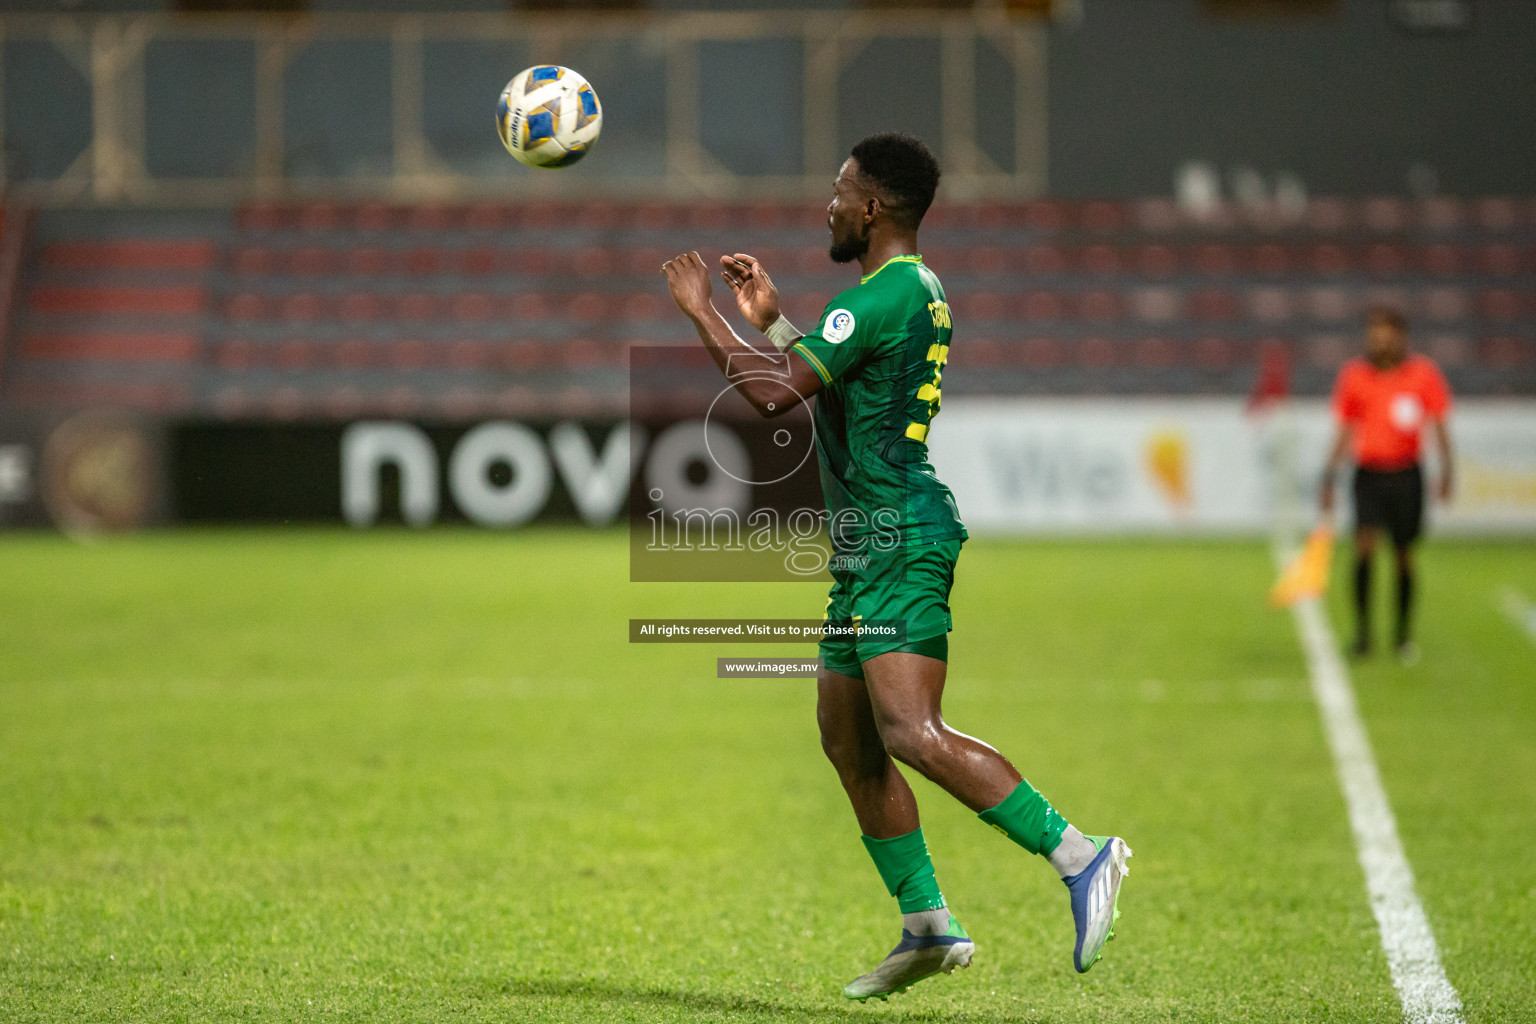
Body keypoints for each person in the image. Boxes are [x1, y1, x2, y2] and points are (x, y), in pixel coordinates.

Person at [661, 132, 1130, 1000]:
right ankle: (927, 925)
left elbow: (768, 397)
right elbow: (842, 387)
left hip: (900, 539)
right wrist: (777, 323)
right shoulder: (914, 291)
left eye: (840, 191)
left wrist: (702, 310)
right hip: (864, 548)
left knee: (911, 731)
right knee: (849, 739)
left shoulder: (878, 296)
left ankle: (1083, 854)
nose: (829, 204)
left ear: (873, 207)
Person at [1320, 307, 1454, 662]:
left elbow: (1438, 424)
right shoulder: (1354, 376)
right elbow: (1345, 431)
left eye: (1386, 335)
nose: (1380, 342)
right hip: (1369, 474)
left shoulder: (1423, 375)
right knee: (1363, 549)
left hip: (1407, 474)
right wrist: (1329, 476)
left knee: (1404, 556)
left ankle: (1402, 636)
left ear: (1401, 337)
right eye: (1374, 336)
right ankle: (1363, 633)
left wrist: (1447, 470)